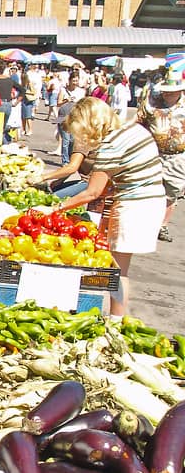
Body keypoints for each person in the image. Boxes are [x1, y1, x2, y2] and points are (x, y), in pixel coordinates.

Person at [56, 97, 165, 316]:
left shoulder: (111, 145)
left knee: (117, 271)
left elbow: (93, 191)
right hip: (150, 201)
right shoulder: (133, 130)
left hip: (135, 206)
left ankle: (115, 321)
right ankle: (116, 318)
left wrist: (56, 208)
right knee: (118, 268)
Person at [136, 66, 185, 243]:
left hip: (178, 156)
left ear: (180, 91)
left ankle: (161, 226)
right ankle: (143, 221)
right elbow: (139, 121)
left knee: (172, 192)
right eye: (165, 92)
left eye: (171, 93)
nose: (167, 95)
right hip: (153, 152)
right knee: (146, 187)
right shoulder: (152, 102)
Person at [23, 64, 43, 136]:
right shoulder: (24, 83)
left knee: (28, 115)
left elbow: (33, 91)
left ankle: (30, 130)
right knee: (23, 116)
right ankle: (24, 129)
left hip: (29, 99)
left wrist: (26, 92)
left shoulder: (30, 82)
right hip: (24, 99)